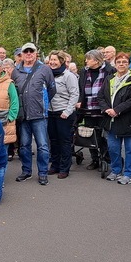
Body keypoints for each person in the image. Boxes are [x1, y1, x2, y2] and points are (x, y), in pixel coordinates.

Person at [11, 42, 56, 185]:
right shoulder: (16, 71)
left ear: (36, 53)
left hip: (39, 115)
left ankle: (43, 172)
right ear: (21, 54)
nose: (29, 54)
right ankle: (26, 171)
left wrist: (41, 103)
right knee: (24, 145)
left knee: (42, 145)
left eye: (31, 51)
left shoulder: (44, 69)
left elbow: (51, 89)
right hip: (23, 115)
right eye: (26, 51)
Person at [98, 52, 131, 185]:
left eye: (124, 62)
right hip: (112, 119)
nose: (121, 64)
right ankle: (116, 170)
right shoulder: (109, 78)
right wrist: (107, 109)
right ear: (115, 64)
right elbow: (100, 96)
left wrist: (118, 110)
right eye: (119, 62)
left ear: (129, 64)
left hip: (130, 120)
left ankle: (130, 174)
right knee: (113, 148)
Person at [76, 49, 115, 170]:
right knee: (90, 135)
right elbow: (80, 88)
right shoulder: (84, 71)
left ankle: (105, 157)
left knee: (103, 135)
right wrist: (79, 101)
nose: (86, 61)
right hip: (88, 108)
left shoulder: (109, 70)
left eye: (89, 58)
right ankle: (95, 159)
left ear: (97, 60)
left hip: (103, 109)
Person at [47, 50, 79, 179]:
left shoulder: (68, 76)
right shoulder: (48, 75)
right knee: (53, 141)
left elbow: (74, 94)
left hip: (64, 113)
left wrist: (67, 111)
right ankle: (55, 165)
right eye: (51, 60)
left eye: (55, 60)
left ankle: (65, 167)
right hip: (50, 112)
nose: (52, 62)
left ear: (61, 61)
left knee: (64, 141)